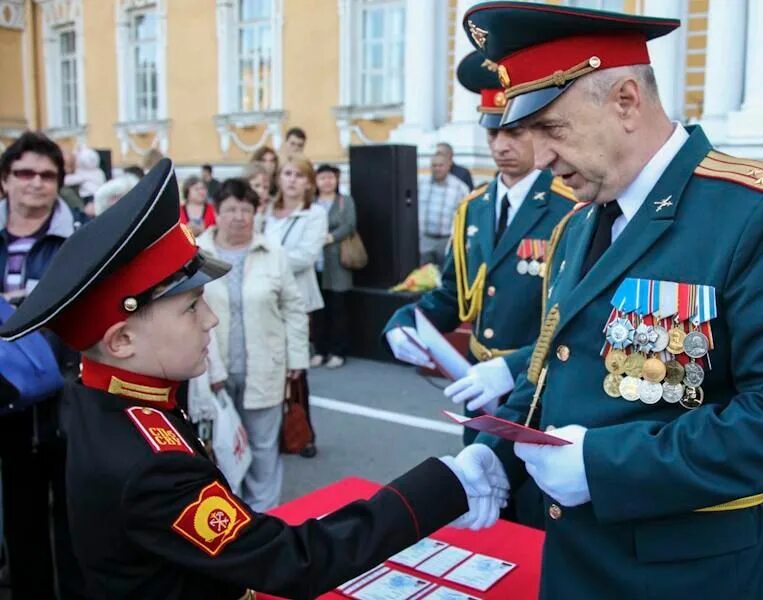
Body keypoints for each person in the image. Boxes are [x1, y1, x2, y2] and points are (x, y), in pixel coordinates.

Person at [458, 3, 763, 598]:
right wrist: (495, 451)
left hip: (697, 577)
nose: (541, 159)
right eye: (528, 134)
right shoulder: (575, 226)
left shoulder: (761, 211)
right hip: (575, 566)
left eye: (552, 130)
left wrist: (605, 465)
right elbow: (548, 370)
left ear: (625, 100)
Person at [0, 158, 508, 599]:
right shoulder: (149, 465)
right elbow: (299, 561)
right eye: (192, 307)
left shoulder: (101, 396)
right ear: (121, 341)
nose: (211, 320)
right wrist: (444, 485)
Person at [384, 50, 577, 527]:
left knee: (538, 515)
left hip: (539, 391)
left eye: (513, 131)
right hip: (476, 390)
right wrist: (404, 322)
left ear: (535, 131)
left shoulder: (569, 205)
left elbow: (576, 316)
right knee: (488, 512)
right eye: (493, 132)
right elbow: (453, 295)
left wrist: (512, 369)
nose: (501, 145)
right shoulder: (472, 208)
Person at [0, 132, 86, 598]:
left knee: (73, 522)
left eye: (47, 175)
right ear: (5, 180)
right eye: (24, 173)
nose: (36, 183)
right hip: (6, 406)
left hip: (68, 400)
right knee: (19, 518)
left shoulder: (81, 240)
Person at [198, 178, 308, 511]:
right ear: (216, 212)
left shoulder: (273, 253)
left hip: (265, 365)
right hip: (211, 368)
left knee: (262, 448)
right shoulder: (199, 254)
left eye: (246, 209)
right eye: (230, 209)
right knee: (221, 447)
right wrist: (207, 367)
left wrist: (297, 360)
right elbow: (188, 313)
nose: (239, 216)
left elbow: (293, 307)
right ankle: (231, 517)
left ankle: (265, 518)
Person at [264, 154, 327, 458]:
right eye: (287, 173)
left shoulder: (314, 214)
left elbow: (306, 256)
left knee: (296, 367)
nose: (291, 180)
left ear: (308, 183)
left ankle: (302, 432)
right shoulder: (265, 212)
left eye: (299, 175)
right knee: (267, 365)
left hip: (297, 299)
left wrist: (265, 261)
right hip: (263, 298)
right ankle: (271, 430)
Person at [311, 164, 356, 369]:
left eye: (330, 177)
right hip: (315, 263)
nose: (327, 182)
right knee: (318, 309)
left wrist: (331, 237)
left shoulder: (344, 201)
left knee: (339, 308)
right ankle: (320, 350)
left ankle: (338, 351)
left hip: (338, 263)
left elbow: (349, 225)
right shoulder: (310, 202)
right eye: (322, 178)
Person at [419, 153, 470, 266]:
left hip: (447, 241)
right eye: (434, 165)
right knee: (422, 278)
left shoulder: (460, 188)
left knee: (445, 276)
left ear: (448, 166)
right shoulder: (420, 184)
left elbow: (466, 215)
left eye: (440, 165)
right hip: (425, 240)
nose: (437, 168)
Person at [242, 161, 272, 231]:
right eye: (256, 186)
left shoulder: (272, 207)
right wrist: (259, 214)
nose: (261, 191)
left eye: (265, 187)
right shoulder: (241, 207)